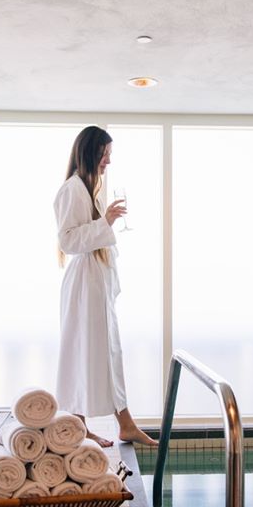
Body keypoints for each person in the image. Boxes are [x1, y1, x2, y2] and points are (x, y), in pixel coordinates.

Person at [54, 126, 158, 448]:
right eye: (105, 154)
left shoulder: (89, 189)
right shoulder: (72, 190)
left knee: (103, 352)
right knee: (83, 353)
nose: (108, 161)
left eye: (109, 155)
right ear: (89, 152)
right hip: (84, 286)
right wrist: (106, 222)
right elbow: (68, 240)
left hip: (94, 284)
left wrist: (105, 222)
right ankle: (86, 428)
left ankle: (122, 424)